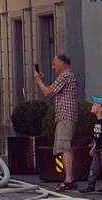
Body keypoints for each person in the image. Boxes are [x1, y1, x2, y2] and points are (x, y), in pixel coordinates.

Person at [35, 54, 81, 192]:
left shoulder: (65, 76)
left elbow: (48, 93)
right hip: (65, 115)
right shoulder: (67, 76)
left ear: (62, 63)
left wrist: (38, 81)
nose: (53, 67)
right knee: (63, 147)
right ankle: (68, 178)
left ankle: (69, 179)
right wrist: (42, 81)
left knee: (64, 146)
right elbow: (52, 90)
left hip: (65, 115)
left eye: (55, 64)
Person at [82, 98, 102, 194]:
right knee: (94, 168)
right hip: (97, 148)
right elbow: (96, 136)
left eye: (94, 105)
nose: (92, 107)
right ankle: (91, 185)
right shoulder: (96, 122)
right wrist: (93, 146)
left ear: (100, 108)